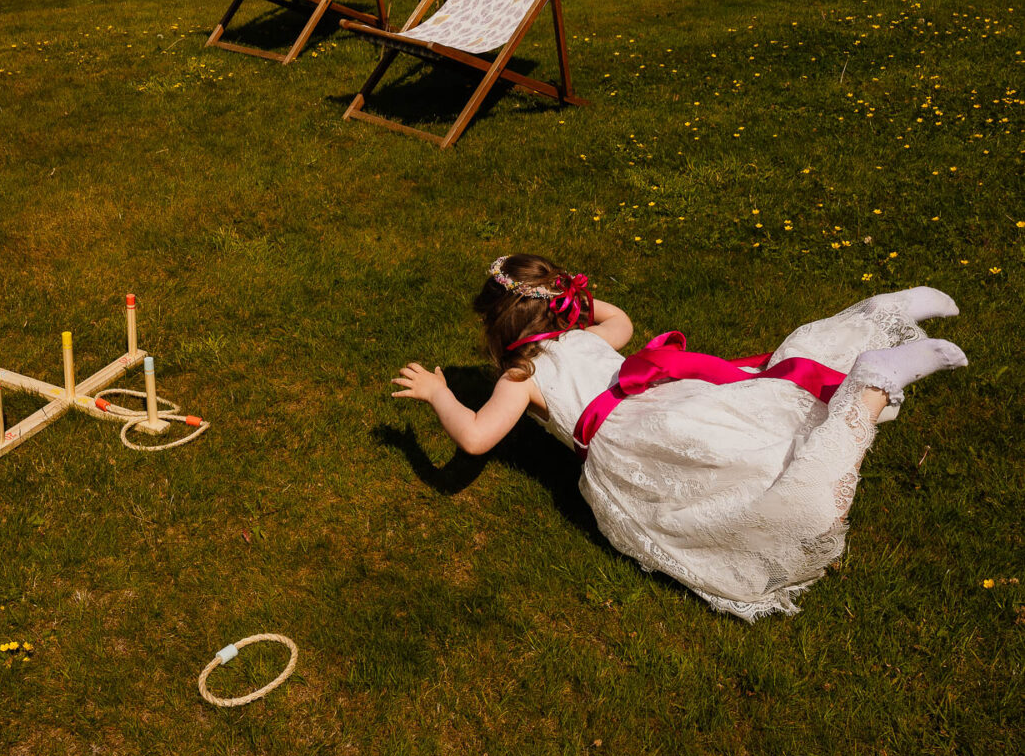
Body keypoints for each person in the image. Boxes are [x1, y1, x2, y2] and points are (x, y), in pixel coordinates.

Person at [391, 253, 967, 620]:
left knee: (737, 494)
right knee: (770, 407)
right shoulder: (590, 337)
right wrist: (576, 304)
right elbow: (620, 323)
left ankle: (869, 388)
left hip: (631, 437)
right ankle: (878, 327)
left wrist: (440, 393)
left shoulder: (522, 376)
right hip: (670, 396)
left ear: (498, 325)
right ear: (566, 306)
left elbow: (474, 438)